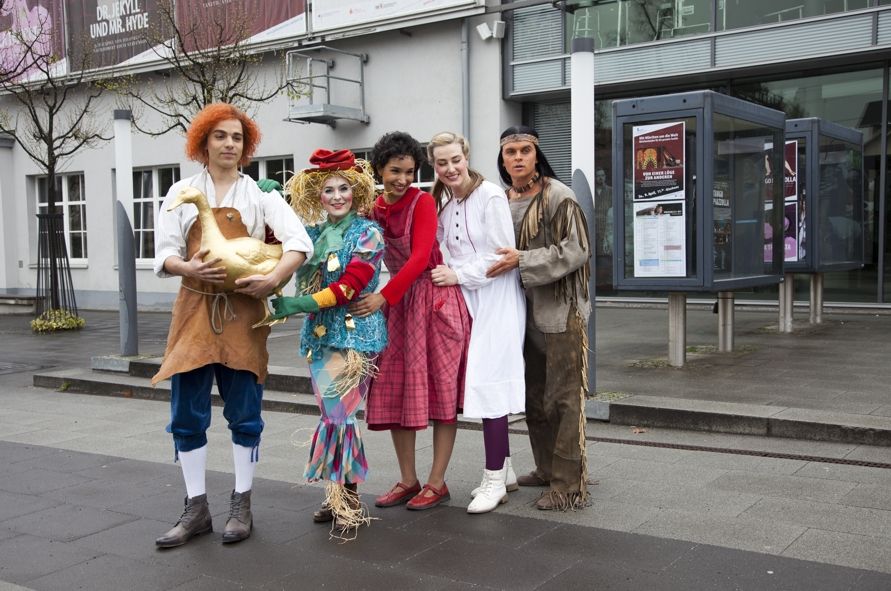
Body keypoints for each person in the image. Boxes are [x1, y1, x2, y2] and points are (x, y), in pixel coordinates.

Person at [151, 103, 313, 548]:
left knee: (244, 411)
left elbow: (299, 242)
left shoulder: (261, 196)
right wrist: (186, 268)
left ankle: (242, 503)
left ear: (247, 146)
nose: (229, 144)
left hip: (244, 312)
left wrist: (275, 279)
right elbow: (162, 251)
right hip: (195, 309)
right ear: (202, 143)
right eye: (220, 136)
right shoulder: (180, 190)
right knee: (187, 413)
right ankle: (196, 506)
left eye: (237, 138)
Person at [263, 149, 387, 537]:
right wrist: (267, 200)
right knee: (331, 416)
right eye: (329, 189)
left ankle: (346, 499)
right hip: (319, 339)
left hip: (355, 338)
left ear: (356, 192)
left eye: (344, 188)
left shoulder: (367, 233)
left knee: (340, 416)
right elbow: (276, 245)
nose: (337, 196)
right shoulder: (313, 235)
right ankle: (336, 495)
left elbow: (348, 286)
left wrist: (296, 304)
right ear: (319, 196)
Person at [350, 131, 471, 511]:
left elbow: (419, 258)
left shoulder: (422, 203)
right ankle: (408, 478)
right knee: (395, 388)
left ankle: (437, 482)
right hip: (400, 306)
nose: (403, 178)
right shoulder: (372, 207)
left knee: (440, 391)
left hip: (433, 301)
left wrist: (382, 296)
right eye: (394, 170)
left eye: (409, 170)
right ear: (379, 170)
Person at [487, 125, 592, 511]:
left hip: (559, 312)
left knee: (563, 399)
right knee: (533, 397)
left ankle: (569, 484)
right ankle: (547, 469)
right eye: (510, 151)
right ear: (502, 158)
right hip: (517, 313)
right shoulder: (500, 198)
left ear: (536, 155)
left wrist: (523, 259)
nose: (516, 158)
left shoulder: (559, 195)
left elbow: (577, 249)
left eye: (524, 151)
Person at [427, 132, 526, 514]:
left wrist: (458, 274)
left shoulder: (491, 196)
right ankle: (508, 468)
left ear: (466, 156)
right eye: (441, 163)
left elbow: (502, 257)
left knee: (489, 386)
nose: (450, 168)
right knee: (479, 385)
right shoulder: (446, 205)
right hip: (468, 301)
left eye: (455, 160)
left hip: (497, 299)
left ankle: (494, 480)